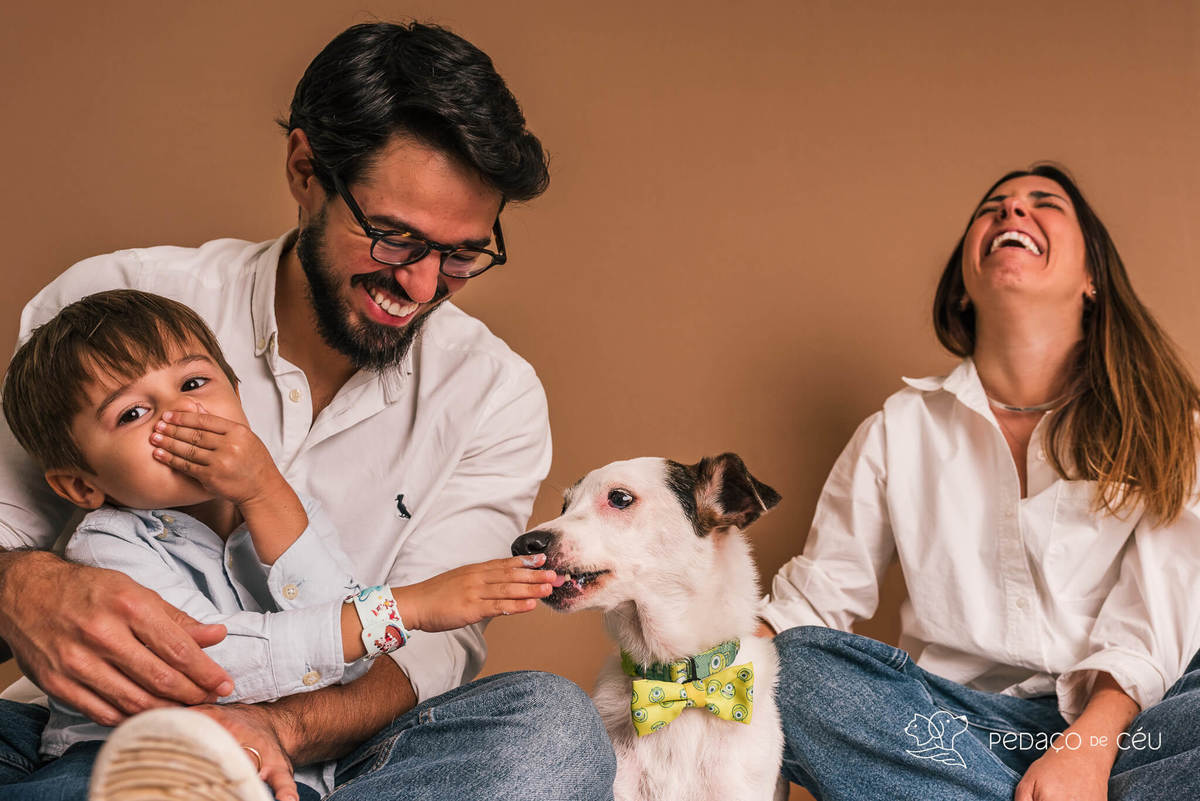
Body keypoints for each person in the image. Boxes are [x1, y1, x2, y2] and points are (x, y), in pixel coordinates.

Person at [0, 21, 615, 801]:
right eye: (395, 238)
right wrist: (21, 586)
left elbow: (417, 654)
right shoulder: (111, 316)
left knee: (553, 732)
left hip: (341, 759)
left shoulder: (495, 394)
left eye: (461, 253)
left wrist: (275, 731)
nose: (423, 287)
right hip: (99, 743)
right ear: (304, 170)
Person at [0, 289, 563, 800]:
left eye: (194, 384)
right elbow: (211, 669)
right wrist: (403, 607)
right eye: (133, 413)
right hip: (127, 760)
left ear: (238, 396)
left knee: (543, 716)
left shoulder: (285, 510)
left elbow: (349, 670)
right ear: (81, 485)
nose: (181, 416)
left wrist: (267, 492)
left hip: (289, 776)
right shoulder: (107, 547)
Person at [759, 164, 1200, 800]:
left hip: (1133, 732)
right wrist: (687, 654)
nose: (1012, 213)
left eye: (1043, 204)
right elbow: (815, 600)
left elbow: (1162, 611)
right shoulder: (899, 428)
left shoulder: (1167, 423)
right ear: (962, 287)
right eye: (993, 208)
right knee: (795, 671)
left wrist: (1087, 749)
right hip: (947, 729)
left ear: (1092, 280)